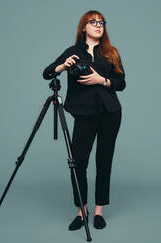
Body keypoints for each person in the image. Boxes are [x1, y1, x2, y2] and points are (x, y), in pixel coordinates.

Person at [42, 10, 126, 230]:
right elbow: (47, 73)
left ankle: (98, 211)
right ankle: (82, 212)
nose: (99, 25)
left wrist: (103, 80)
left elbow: (121, 83)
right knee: (78, 162)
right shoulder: (73, 52)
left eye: (102, 22)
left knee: (104, 161)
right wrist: (62, 66)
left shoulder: (111, 53)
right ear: (83, 27)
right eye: (93, 22)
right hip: (84, 114)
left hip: (110, 113)